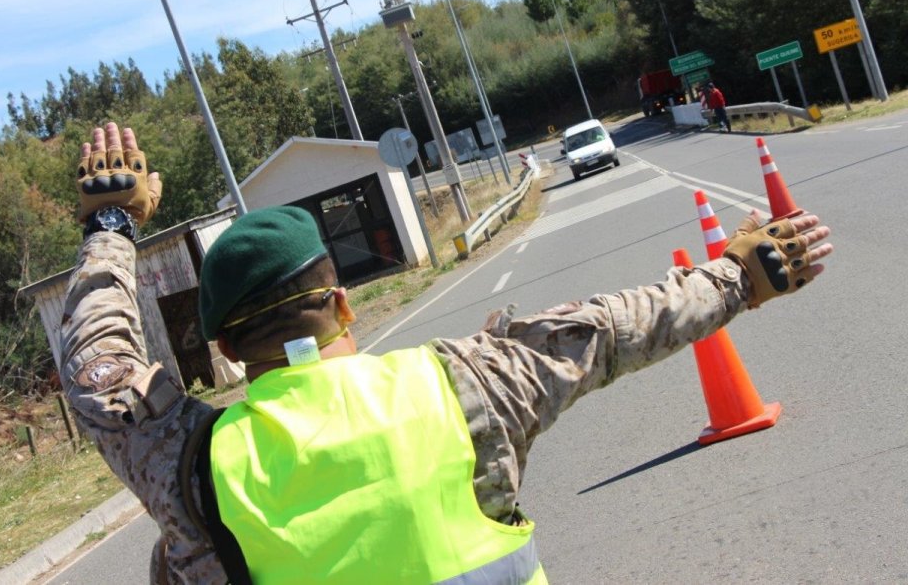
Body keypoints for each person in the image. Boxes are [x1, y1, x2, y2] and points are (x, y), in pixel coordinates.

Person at [61, 122, 831, 583]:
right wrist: (740, 276)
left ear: (227, 350)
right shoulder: (464, 381)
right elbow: (612, 326)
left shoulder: (191, 464)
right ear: (342, 304)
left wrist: (110, 232)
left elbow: (100, 368)